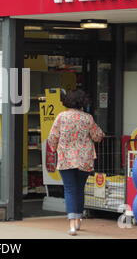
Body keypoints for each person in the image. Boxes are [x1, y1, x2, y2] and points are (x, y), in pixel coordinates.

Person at [48, 89, 104, 236]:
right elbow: (98, 136)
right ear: (82, 103)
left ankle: (72, 224)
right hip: (85, 158)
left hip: (66, 158)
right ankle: (78, 220)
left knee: (70, 189)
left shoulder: (61, 117)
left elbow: (52, 137)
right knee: (79, 189)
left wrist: (55, 149)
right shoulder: (88, 118)